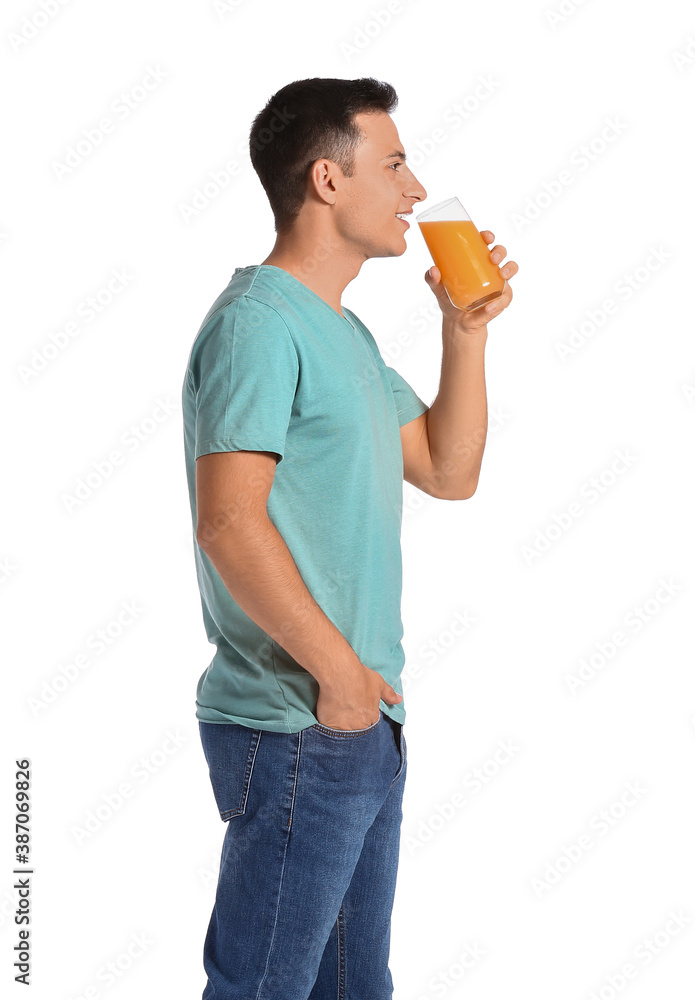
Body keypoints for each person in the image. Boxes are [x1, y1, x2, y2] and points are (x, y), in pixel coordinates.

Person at [181, 76, 517, 1000]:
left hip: (361, 717)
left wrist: (464, 333)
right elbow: (228, 521)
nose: (415, 191)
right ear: (327, 180)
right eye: (396, 163)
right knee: (263, 988)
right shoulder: (258, 325)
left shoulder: (347, 335)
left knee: (351, 990)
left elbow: (450, 472)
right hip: (299, 717)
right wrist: (338, 678)